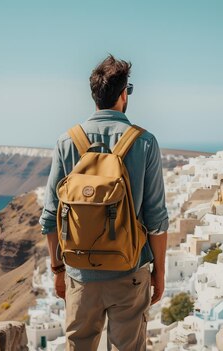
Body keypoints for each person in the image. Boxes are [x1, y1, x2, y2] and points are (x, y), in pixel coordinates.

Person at [39, 54, 169, 351]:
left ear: (93, 96)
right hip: (130, 272)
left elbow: (50, 216)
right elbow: (156, 219)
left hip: (80, 274)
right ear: (125, 94)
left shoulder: (67, 141)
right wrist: (158, 273)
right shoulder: (144, 142)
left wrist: (59, 270)